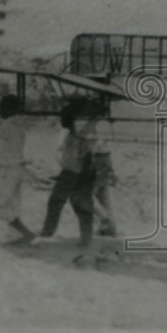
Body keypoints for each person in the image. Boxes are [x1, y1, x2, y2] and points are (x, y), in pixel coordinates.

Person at [39, 101, 95, 247]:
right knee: (75, 204)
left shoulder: (80, 135)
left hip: (73, 174)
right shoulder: (71, 135)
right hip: (71, 172)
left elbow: (86, 156)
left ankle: (47, 233)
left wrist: (82, 175)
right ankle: (86, 238)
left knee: (57, 202)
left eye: (65, 118)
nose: (62, 120)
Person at [0, 93, 36, 243]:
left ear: (8, 109)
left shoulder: (8, 125)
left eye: (2, 108)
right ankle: (15, 236)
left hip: (7, 169)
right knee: (14, 204)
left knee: (2, 206)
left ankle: (25, 232)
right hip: (17, 168)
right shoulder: (19, 124)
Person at [79, 100, 118, 237]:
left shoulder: (91, 126)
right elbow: (107, 150)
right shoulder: (105, 125)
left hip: (96, 161)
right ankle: (110, 228)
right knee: (103, 197)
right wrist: (112, 170)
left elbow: (92, 147)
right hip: (105, 161)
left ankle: (105, 220)